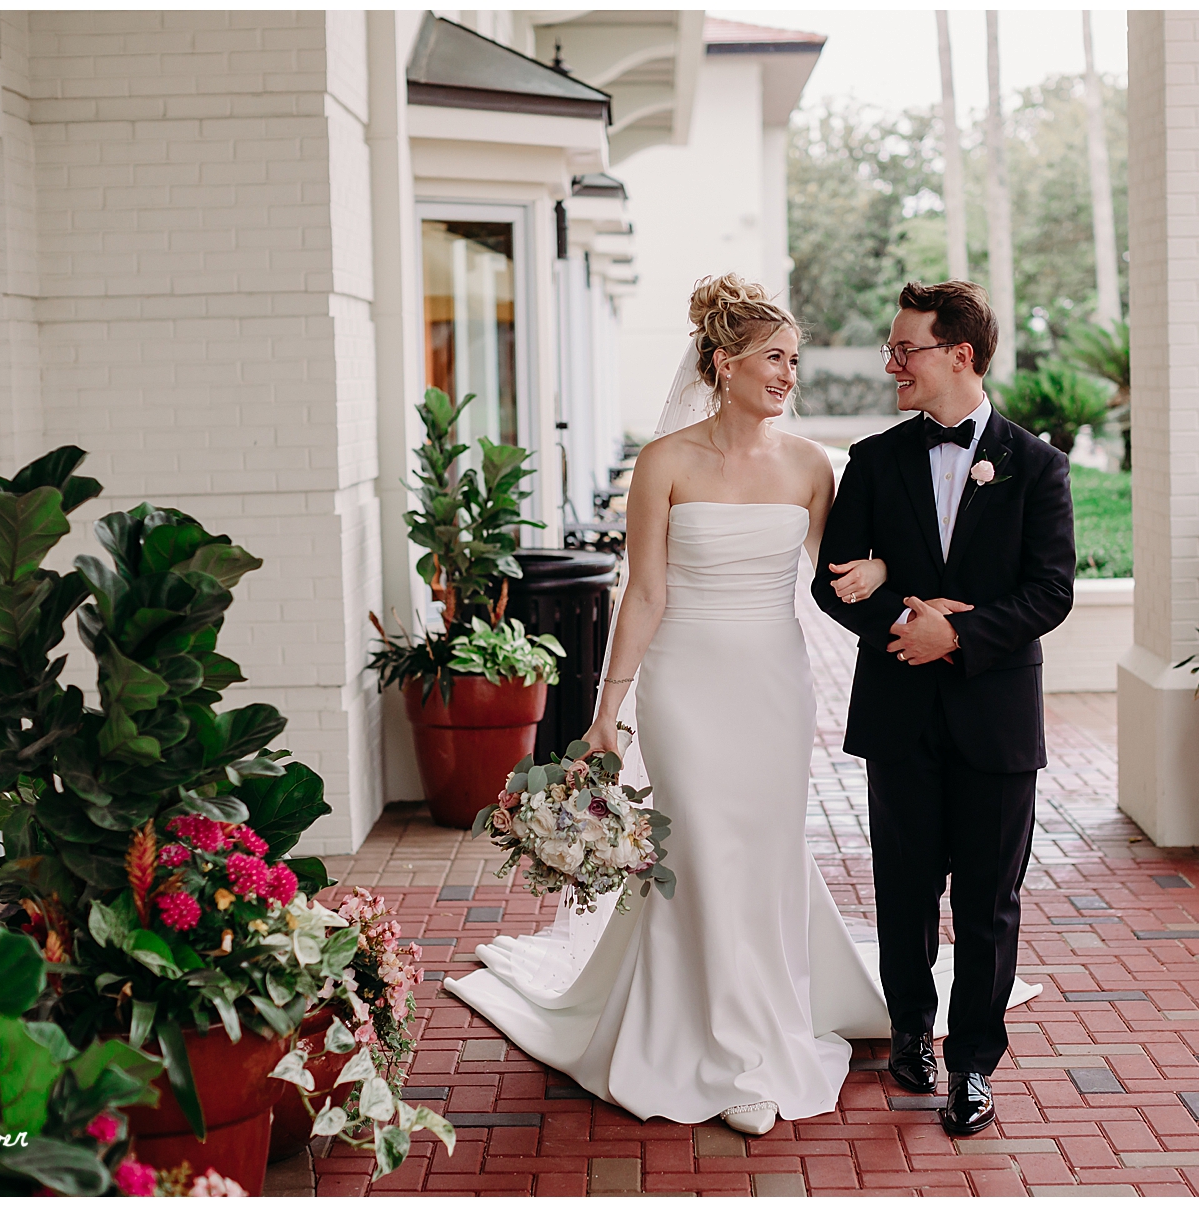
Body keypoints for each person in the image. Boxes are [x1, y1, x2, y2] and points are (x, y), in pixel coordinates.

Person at [444, 275, 894, 1137]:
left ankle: (765, 1019)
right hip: (685, 686)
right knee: (697, 846)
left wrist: (881, 576)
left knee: (760, 849)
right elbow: (642, 594)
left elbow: (837, 579)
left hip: (775, 686)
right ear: (722, 364)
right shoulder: (666, 462)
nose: (788, 374)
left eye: (794, 360)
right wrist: (608, 710)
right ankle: (724, 1051)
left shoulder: (810, 466)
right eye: (773, 357)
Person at [810, 280, 1074, 1136]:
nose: (893, 364)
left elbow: (1050, 592)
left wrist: (956, 636)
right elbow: (833, 578)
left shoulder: (1038, 465)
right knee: (904, 890)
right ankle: (912, 1033)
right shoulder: (875, 458)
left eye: (905, 349)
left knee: (990, 901)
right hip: (899, 711)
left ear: (959, 354)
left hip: (996, 717)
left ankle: (973, 1066)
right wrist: (903, 619)